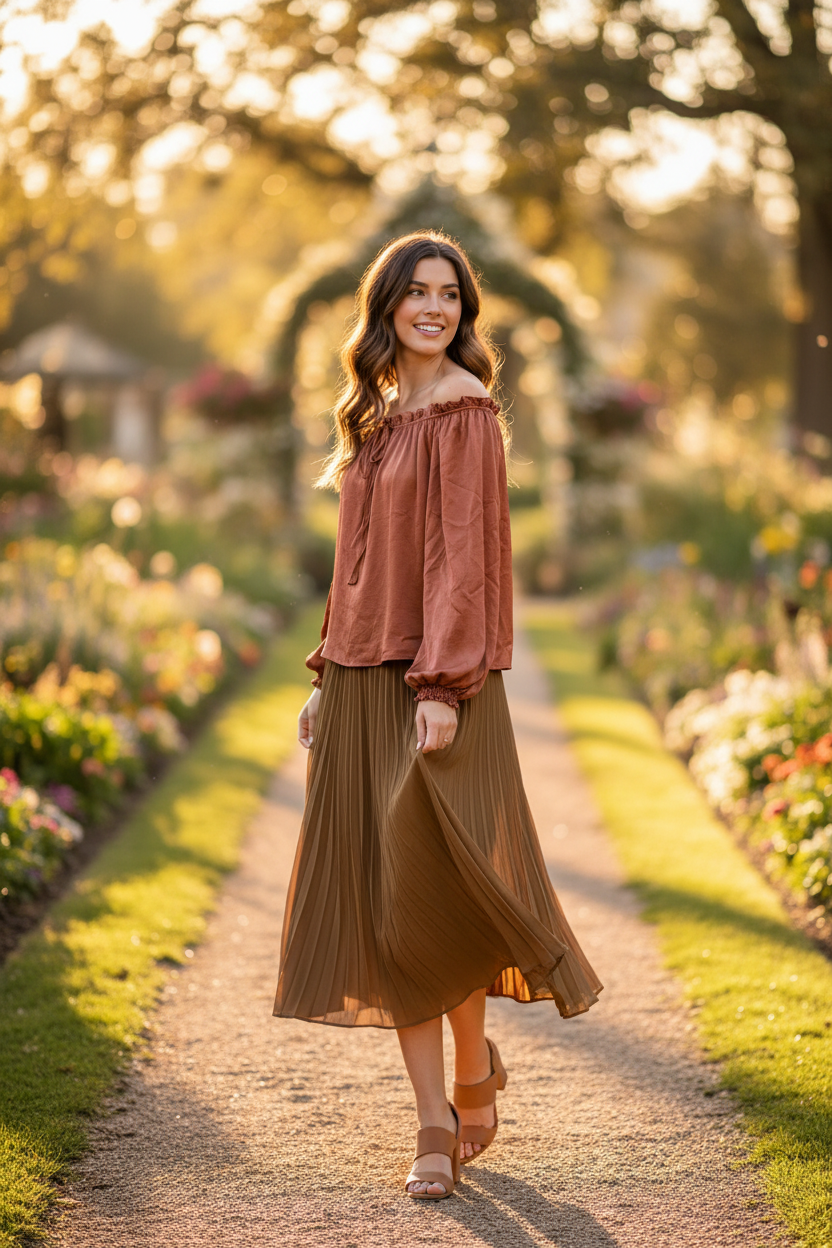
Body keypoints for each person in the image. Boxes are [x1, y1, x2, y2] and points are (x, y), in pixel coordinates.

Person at [273, 230, 602, 1200]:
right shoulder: (372, 416)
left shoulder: (465, 414)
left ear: (463, 312)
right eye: (415, 292)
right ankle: (433, 1119)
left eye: (448, 295)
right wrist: (326, 675)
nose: (433, 307)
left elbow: (463, 563)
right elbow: (360, 565)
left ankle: (470, 1075)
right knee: (387, 907)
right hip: (362, 684)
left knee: (441, 894)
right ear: (385, 307)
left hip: (435, 689)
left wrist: (443, 690)